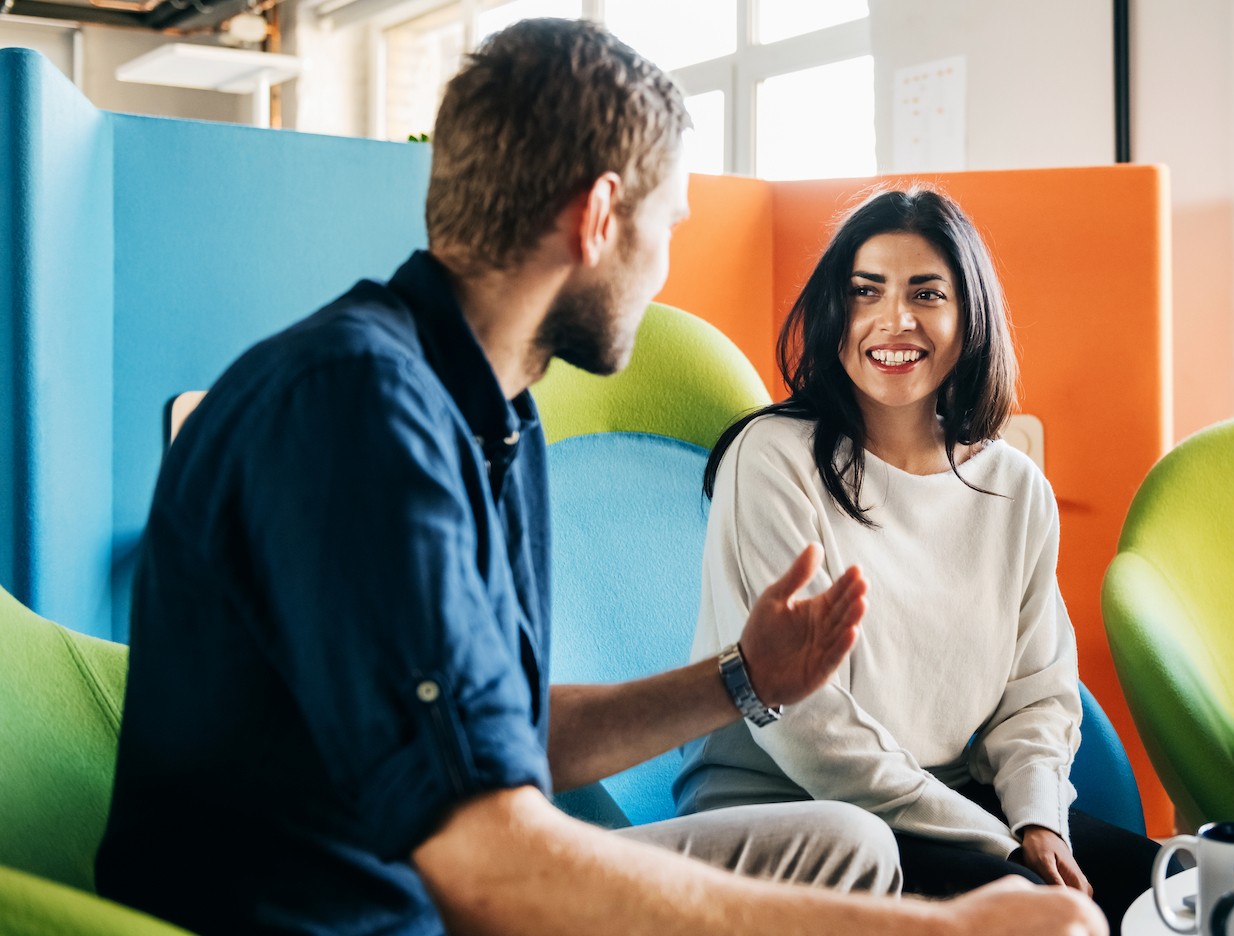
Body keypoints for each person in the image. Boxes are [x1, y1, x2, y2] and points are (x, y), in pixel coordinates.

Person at [94, 19, 1106, 936]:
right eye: (666, 227)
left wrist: (741, 680)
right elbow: (489, 871)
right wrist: (953, 933)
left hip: (433, 874)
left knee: (842, 848)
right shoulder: (357, 412)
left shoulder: (496, 418)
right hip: (346, 913)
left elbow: (501, 739)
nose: (665, 264)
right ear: (598, 216)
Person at [674, 187, 1160, 922]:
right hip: (794, 812)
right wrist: (994, 840)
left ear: (970, 317)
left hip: (949, 800)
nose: (892, 321)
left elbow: (1038, 691)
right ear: (835, 313)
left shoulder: (1012, 486)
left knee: (1181, 888)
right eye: (864, 292)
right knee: (1046, 914)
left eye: (926, 293)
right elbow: (806, 725)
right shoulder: (771, 458)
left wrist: (1037, 820)